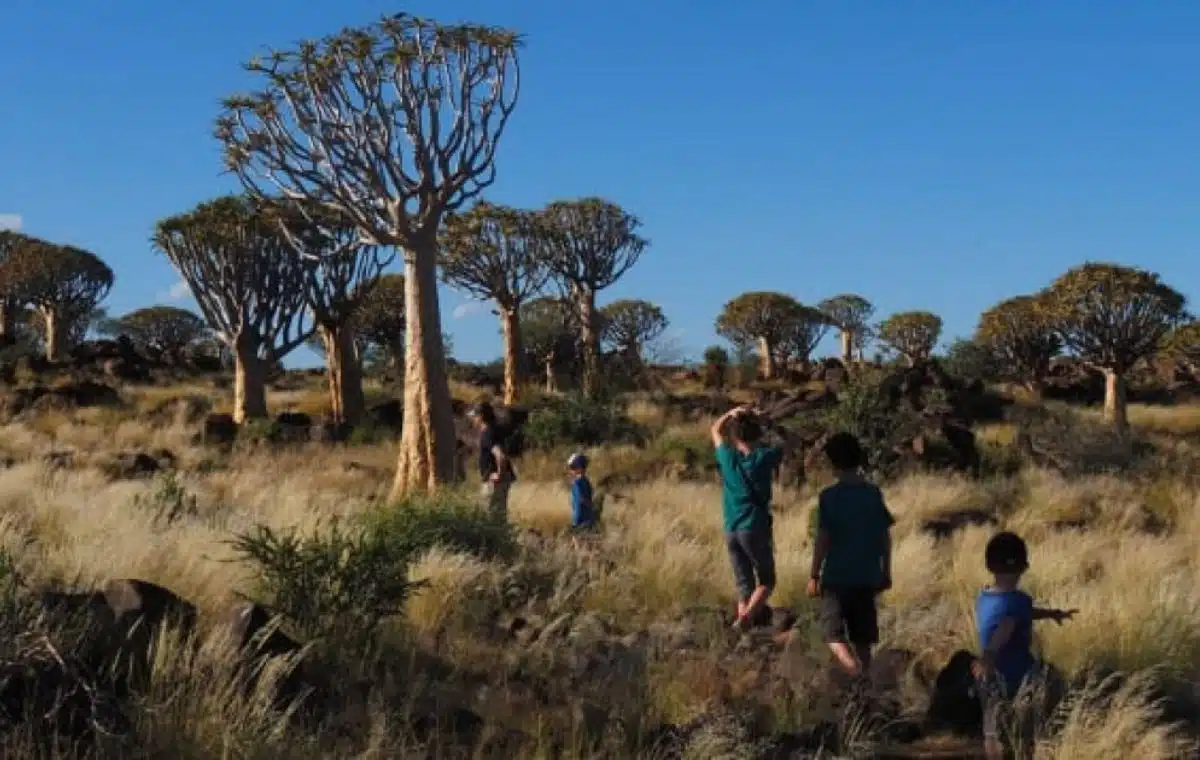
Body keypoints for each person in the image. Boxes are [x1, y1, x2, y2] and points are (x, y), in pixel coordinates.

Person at [973, 531, 1077, 760]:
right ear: (1023, 567)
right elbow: (1006, 625)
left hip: (988, 677)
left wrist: (1051, 613)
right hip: (1019, 677)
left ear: (989, 565)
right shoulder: (1019, 600)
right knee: (1026, 727)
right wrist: (989, 655)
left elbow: (1018, 615)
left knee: (992, 730)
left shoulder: (984, 596)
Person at [807, 432, 894, 680]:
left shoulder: (829, 497)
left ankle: (854, 672)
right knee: (863, 638)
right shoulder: (873, 494)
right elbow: (884, 537)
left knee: (832, 633)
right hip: (867, 575)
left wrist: (814, 574)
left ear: (833, 463)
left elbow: (823, 539)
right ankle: (865, 678)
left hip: (837, 577)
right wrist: (886, 571)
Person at [711, 405, 783, 632]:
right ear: (757, 434)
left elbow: (715, 429)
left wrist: (732, 412)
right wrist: (767, 422)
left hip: (731, 528)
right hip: (754, 526)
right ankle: (746, 619)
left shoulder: (728, 457)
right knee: (767, 581)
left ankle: (743, 628)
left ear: (734, 436)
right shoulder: (764, 457)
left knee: (744, 584)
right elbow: (789, 441)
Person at [468, 402, 515, 522]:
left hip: (494, 481)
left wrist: (499, 474)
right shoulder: (494, 429)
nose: (473, 419)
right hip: (500, 479)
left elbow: (500, 455)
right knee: (498, 515)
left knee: (490, 516)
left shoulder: (487, 433)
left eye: (475, 416)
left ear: (481, 417)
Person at [566, 452, 596, 532]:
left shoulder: (577, 483)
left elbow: (580, 501)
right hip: (588, 519)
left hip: (580, 520)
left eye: (572, 467)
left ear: (579, 468)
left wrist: (575, 522)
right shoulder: (586, 481)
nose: (570, 470)